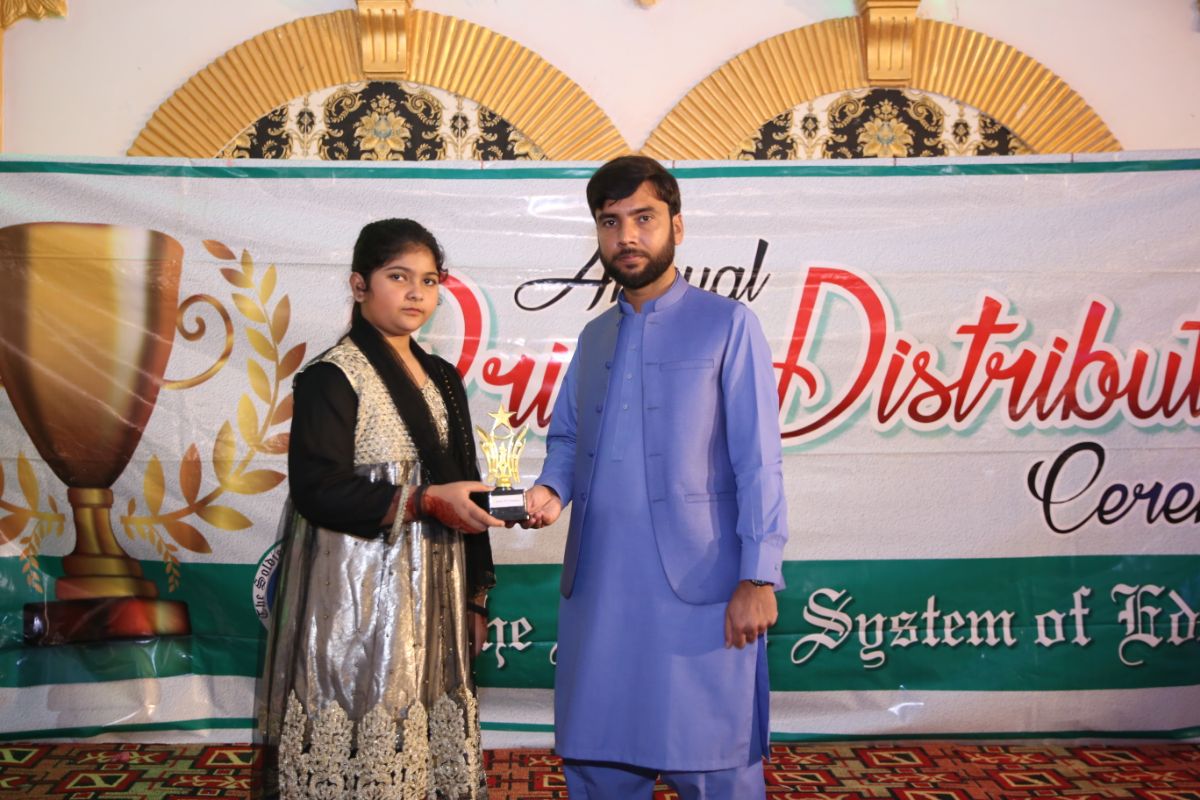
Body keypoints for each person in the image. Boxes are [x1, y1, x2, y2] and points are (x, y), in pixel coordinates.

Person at [524, 156, 788, 799]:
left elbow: (759, 459)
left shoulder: (728, 324)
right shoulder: (594, 337)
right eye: (610, 222)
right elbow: (568, 439)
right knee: (599, 762)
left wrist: (758, 575)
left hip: (703, 590)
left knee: (716, 762)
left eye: (643, 218)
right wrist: (551, 490)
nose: (627, 236)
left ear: (677, 226)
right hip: (601, 590)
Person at [261, 218, 501, 799]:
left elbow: (464, 486)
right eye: (398, 277)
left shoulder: (442, 377)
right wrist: (420, 500)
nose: (416, 293)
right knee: (360, 720)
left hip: (436, 591)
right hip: (356, 590)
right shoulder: (331, 376)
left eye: (429, 280)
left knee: (424, 733)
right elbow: (317, 488)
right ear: (359, 285)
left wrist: (475, 597)